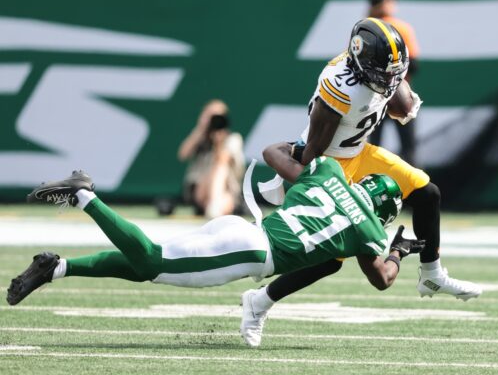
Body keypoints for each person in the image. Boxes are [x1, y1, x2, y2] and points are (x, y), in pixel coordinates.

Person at [6, 143, 425, 348]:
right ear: (384, 212)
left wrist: (305, 152)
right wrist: (398, 251)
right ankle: (84, 195)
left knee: (146, 266)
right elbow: (382, 280)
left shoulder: (330, 171)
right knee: (151, 261)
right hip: (252, 253)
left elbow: (272, 152)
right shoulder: (369, 228)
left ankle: (56, 268)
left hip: (239, 227)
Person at [245, 18, 482, 346]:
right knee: (330, 261)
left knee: (427, 193)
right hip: (330, 164)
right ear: (362, 66)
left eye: (394, 73)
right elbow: (313, 150)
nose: (390, 80)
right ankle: (259, 302)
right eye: (385, 74)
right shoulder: (340, 88)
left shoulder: (379, 70)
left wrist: (400, 92)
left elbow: (400, 105)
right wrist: (317, 185)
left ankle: (432, 275)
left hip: (359, 151)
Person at [367, 0, 420, 165]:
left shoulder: (363, 28)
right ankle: (412, 181)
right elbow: (413, 64)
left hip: (371, 96)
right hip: (399, 95)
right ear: (383, 4)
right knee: (408, 148)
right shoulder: (400, 28)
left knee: (373, 147)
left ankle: (371, 178)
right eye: (390, 2)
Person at [177, 99, 245, 217]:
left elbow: (223, 160)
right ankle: (214, 206)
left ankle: (214, 206)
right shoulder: (200, 139)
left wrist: (219, 143)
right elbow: (183, 155)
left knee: (224, 198)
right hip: (201, 189)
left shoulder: (233, 139)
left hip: (226, 190)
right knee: (217, 204)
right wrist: (200, 128)